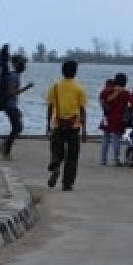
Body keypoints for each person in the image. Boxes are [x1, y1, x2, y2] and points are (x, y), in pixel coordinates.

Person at [45, 60, 88, 190]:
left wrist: (47, 125)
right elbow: (82, 110)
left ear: (62, 71)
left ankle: (56, 165)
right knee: (72, 155)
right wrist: (84, 130)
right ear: (75, 72)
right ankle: (67, 183)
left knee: (56, 149)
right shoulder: (79, 88)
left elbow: (50, 107)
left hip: (58, 124)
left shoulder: (55, 87)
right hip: (74, 125)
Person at [99, 73, 133, 166]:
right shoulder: (126, 93)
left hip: (107, 117)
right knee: (116, 139)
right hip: (119, 119)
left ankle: (103, 160)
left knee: (106, 138)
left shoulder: (107, 91)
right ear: (125, 82)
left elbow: (102, 99)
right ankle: (116, 160)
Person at [0, 54, 33, 160]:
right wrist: (26, 88)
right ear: (18, 65)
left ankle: (4, 146)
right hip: (10, 105)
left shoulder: (15, 75)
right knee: (16, 128)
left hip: (12, 105)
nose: (25, 67)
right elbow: (11, 93)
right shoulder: (14, 76)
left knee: (18, 127)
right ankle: (5, 151)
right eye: (24, 64)